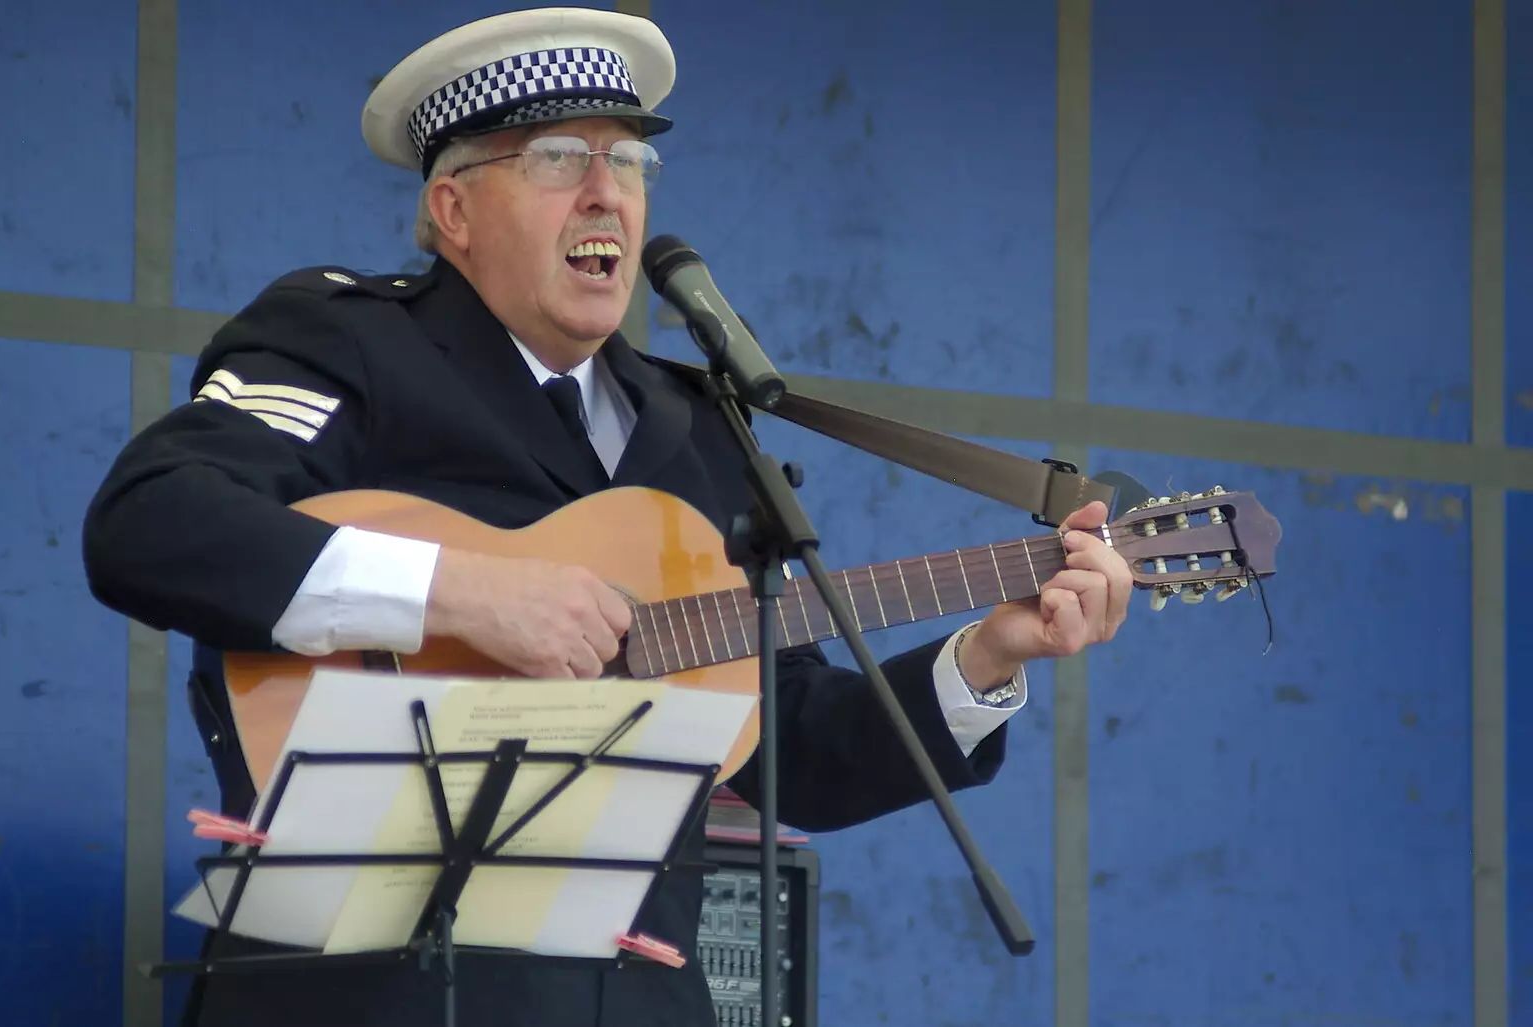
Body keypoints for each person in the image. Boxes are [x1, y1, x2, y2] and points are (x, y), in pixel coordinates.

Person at [81, 8, 1133, 1026]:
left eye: (629, 163)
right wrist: (461, 593)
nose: (606, 195)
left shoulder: (702, 428)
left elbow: (788, 748)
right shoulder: (349, 341)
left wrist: (990, 654)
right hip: (365, 994)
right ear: (453, 209)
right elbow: (153, 521)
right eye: (557, 159)